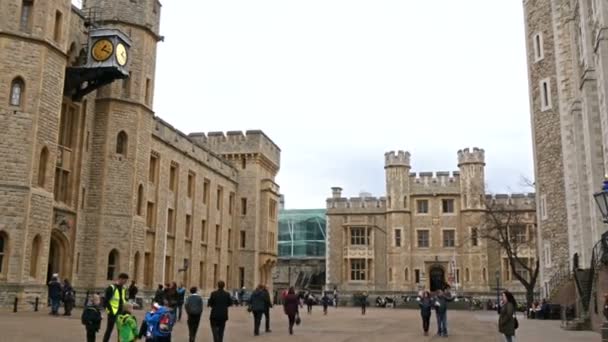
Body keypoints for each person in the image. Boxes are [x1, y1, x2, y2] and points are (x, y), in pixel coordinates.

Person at [102, 272, 129, 342]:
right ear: (120, 279)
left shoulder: (124, 289)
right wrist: (109, 311)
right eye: (124, 280)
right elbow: (105, 301)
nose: (125, 282)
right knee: (109, 330)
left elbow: (124, 300)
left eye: (126, 281)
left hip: (121, 312)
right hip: (112, 312)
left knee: (120, 330)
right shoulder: (111, 288)